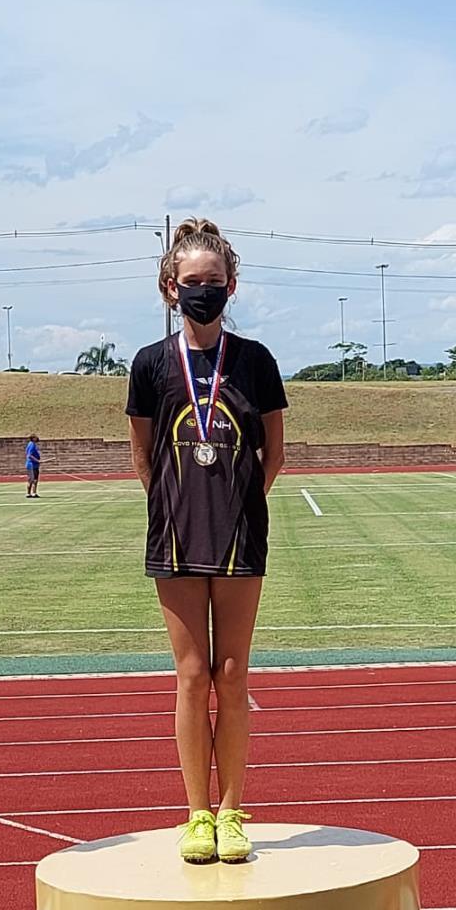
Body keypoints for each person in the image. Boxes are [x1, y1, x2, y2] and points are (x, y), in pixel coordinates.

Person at [125, 219, 287, 864]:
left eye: (213, 283)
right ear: (170, 289)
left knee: (233, 671)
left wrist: (238, 504)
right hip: (175, 534)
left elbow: (273, 453)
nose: (202, 292)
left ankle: (232, 809)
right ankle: (196, 812)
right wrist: (179, 504)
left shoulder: (255, 361)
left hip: (240, 535)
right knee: (191, 676)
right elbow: (143, 456)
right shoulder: (150, 364)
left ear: (232, 286)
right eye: (191, 283)